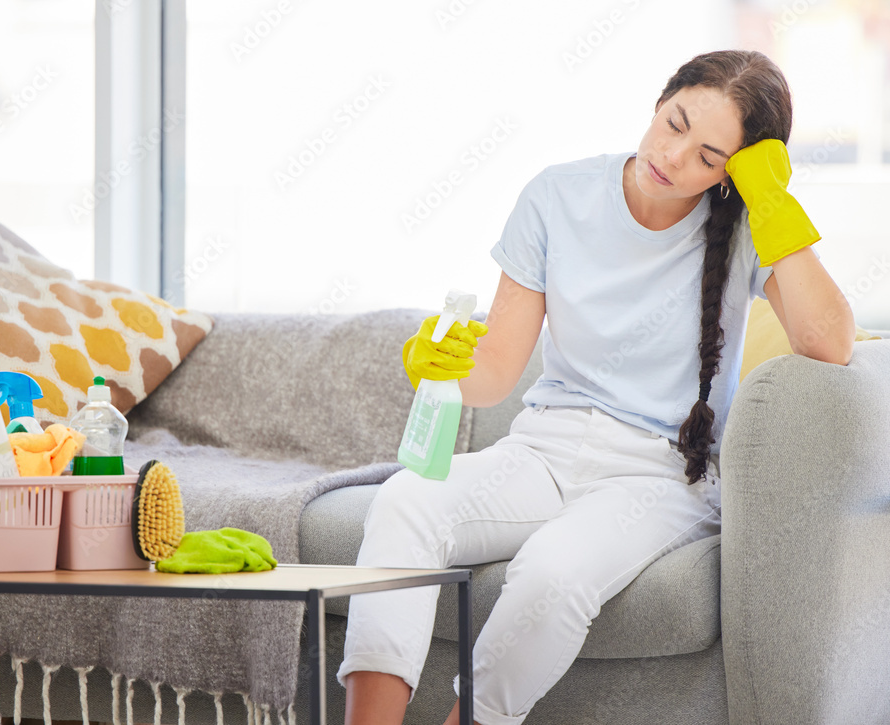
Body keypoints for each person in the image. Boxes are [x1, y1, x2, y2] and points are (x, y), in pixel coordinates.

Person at [336, 49, 856, 725]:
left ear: (732, 171)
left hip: (659, 476)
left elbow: (831, 340)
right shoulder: (557, 196)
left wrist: (771, 196)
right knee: (406, 499)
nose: (673, 157)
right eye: (674, 123)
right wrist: (445, 370)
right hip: (543, 451)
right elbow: (495, 371)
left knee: (554, 573)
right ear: (661, 98)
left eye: (707, 157)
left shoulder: (749, 226)